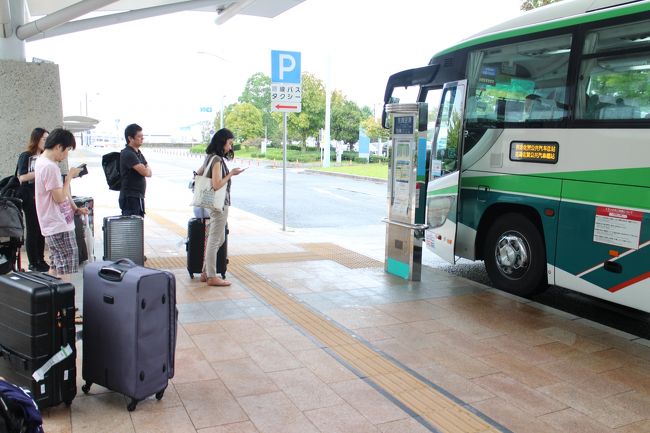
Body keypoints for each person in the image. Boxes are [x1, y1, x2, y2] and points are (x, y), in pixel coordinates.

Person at [34, 128, 88, 279]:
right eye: (68, 149)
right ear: (58, 146)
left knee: (56, 265)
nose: (66, 154)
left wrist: (75, 208)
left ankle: (53, 301)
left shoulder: (42, 161)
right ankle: (65, 302)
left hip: (52, 224)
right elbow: (59, 198)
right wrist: (69, 177)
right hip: (58, 225)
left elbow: (61, 193)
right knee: (66, 267)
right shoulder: (50, 167)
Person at [197, 128, 245, 287]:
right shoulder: (216, 160)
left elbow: (198, 174)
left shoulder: (210, 157)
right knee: (214, 239)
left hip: (213, 204)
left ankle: (205, 271)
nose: (230, 147)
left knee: (219, 238)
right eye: (229, 143)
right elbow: (217, 185)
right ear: (222, 142)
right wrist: (231, 174)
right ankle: (211, 276)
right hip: (219, 204)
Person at [16, 128, 50, 272]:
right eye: (44, 139)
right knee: (32, 227)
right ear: (36, 139)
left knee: (41, 228)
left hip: (41, 195)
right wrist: (39, 171)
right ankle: (33, 261)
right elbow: (22, 177)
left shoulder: (45, 156)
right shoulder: (26, 155)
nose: (46, 142)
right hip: (29, 196)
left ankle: (40, 259)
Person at [119, 123, 151, 217]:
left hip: (137, 197)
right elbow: (145, 172)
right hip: (130, 198)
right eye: (139, 136)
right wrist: (146, 168)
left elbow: (149, 172)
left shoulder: (137, 153)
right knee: (131, 228)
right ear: (130, 138)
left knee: (137, 226)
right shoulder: (128, 153)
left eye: (142, 136)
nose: (142, 139)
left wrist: (146, 169)